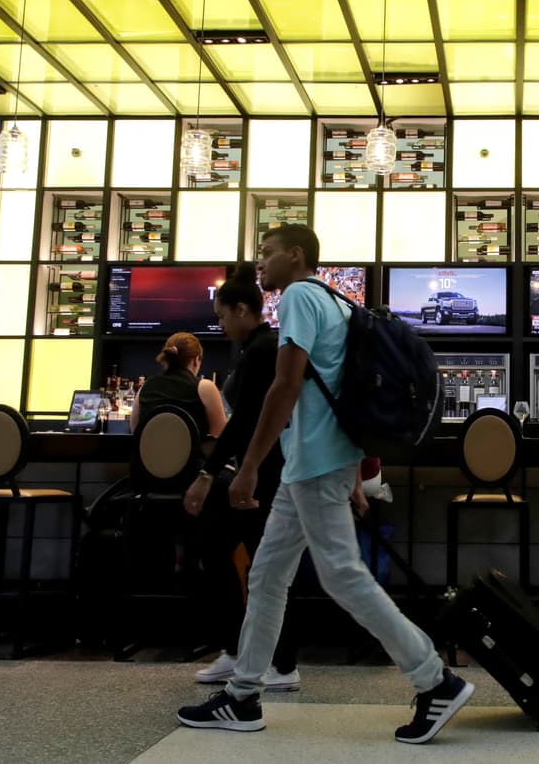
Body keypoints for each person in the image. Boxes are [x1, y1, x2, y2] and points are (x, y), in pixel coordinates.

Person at [177, 224, 473, 744]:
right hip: (315, 463)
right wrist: (350, 473)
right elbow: (338, 392)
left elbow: (286, 385)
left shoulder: (298, 297)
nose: (260, 263)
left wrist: (249, 466)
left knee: (342, 576)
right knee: (268, 575)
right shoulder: (336, 302)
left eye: (267, 253)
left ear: (296, 256)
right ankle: (243, 695)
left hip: (313, 463)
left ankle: (435, 680)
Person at [182, 262, 300, 692]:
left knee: (259, 567)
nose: (220, 324)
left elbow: (246, 419)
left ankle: (273, 662)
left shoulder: (263, 350)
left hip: (264, 474)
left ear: (242, 310)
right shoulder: (259, 348)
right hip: (261, 471)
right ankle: (247, 654)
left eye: (221, 316)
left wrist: (208, 473)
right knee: (243, 560)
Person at [129, 332, 227, 450]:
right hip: (191, 461)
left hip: (147, 461)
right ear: (196, 360)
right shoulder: (205, 387)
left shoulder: (146, 386)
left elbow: (135, 429)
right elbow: (220, 434)